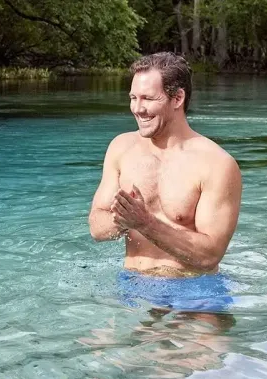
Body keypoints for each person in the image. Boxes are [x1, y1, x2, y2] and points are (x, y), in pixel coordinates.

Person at [88, 51, 242, 318]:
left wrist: (145, 223)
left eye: (148, 98)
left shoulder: (217, 164)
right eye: (133, 98)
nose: (137, 108)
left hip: (196, 290)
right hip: (132, 284)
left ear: (177, 98)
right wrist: (123, 220)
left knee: (199, 358)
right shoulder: (121, 148)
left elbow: (209, 256)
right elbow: (96, 229)